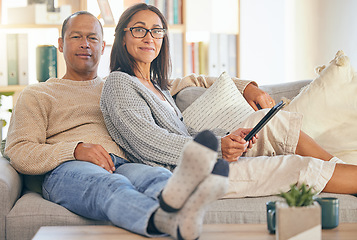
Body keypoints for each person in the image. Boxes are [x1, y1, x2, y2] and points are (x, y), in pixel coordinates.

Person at [4, 11, 230, 239]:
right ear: (61, 44)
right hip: (68, 169)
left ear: (103, 47)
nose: (85, 44)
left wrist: (244, 87)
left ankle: (186, 209)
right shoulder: (37, 94)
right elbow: (19, 151)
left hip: (123, 163)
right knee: (109, 185)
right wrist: (75, 150)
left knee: (159, 178)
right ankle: (163, 220)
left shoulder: (122, 86)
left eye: (93, 38)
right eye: (76, 37)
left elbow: (181, 82)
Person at [100, 3, 357, 198]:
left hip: (200, 159)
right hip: (182, 174)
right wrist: (216, 149)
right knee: (293, 167)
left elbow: (183, 131)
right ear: (122, 37)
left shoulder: (158, 87)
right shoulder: (119, 83)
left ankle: (346, 170)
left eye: (156, 31)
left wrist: (228, 138)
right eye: (139, 30)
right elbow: (149, 142)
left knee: (269, 122)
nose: (149, 37)